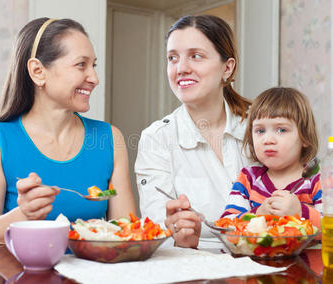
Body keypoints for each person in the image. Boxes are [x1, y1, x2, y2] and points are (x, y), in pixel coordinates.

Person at [0, 18, 136, 243]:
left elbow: (129, 230)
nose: (94, 78)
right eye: (81, 64)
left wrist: (106, 230)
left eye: (93, 65)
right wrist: (23, 214)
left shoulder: (110, 138)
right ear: (38, 71)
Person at [135, 15, 252, 248]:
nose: (181, 69)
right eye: (172, 58)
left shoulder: (259, 128)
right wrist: (179, 235)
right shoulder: (156, 139)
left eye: (195, 56)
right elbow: (157, 231)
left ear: (227, 68)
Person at [221, 87, 322, 229]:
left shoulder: (315, 180)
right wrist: (258, 214)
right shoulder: (248, 178)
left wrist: (300, 212)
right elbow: (226, 225)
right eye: (260, 131)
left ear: (304, 137)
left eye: (281, 130)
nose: (267, 139)